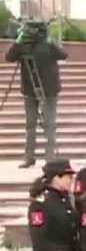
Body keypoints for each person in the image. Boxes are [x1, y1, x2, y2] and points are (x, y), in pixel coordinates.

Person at [6, 20, 66, 167]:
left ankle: (49, 157)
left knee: (48, 123)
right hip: (30, 89)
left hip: (49, 90)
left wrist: (49, 41)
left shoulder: (46, 45)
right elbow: (9, 57)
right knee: (31, 124)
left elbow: (63, 55)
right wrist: (18, 42)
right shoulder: (24, 45)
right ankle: (30, 157)